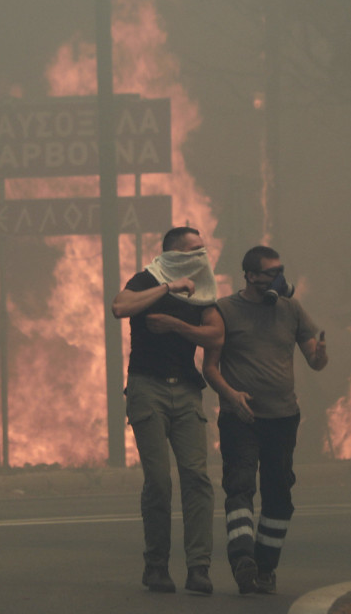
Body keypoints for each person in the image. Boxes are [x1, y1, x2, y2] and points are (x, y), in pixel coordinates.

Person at [202, 244, 328, 595]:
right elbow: (209, 368)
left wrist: (321, 355)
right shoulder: (225, 310)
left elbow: (314, 361)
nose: (279, 278)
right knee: (240, 487)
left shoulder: (291, 309)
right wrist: (232, 395)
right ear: (251, 275)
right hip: (240, 417)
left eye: (280, 270)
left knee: (279, 495)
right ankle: (243, 561)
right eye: (271, 272)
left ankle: (266, 566)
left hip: (283, 417)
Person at [111, 226, 225, 595]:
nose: (201, 255)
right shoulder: (147, 278)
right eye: (194, 250)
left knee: (197, 478)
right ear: (175, 254)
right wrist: (167, 288)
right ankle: (156, 566)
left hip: (187, 391)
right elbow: (119, 307)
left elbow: (216, 335)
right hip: (147, 387)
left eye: (202, 248)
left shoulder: (203, 286)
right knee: (159, 481)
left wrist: (177, 323)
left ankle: (199, 568)